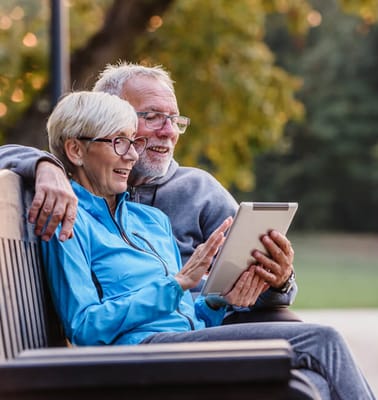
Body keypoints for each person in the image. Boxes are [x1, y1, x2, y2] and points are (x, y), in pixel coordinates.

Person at [41, 90, 376, 400]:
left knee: (311, 384)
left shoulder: (151, 222)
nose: (131, 154)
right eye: (118, 142)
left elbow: (184, 314)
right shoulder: (69, 220)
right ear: (75, 150)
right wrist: (176, 285)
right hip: (137, 359)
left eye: (133, 141)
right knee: (322, 340)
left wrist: (217, 303)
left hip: (181, 350)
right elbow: (85, 327)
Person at [0, 62, 300, 324]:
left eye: (174, 120)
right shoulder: (75, 194)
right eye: (153, 116)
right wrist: (45, 164)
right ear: (108, 114)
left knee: (302, 340)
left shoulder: (196, 191)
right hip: (154, 347)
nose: (168, 131)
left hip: (206, 326)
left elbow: (249, 291)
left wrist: (280, 281)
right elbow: (87, 323)